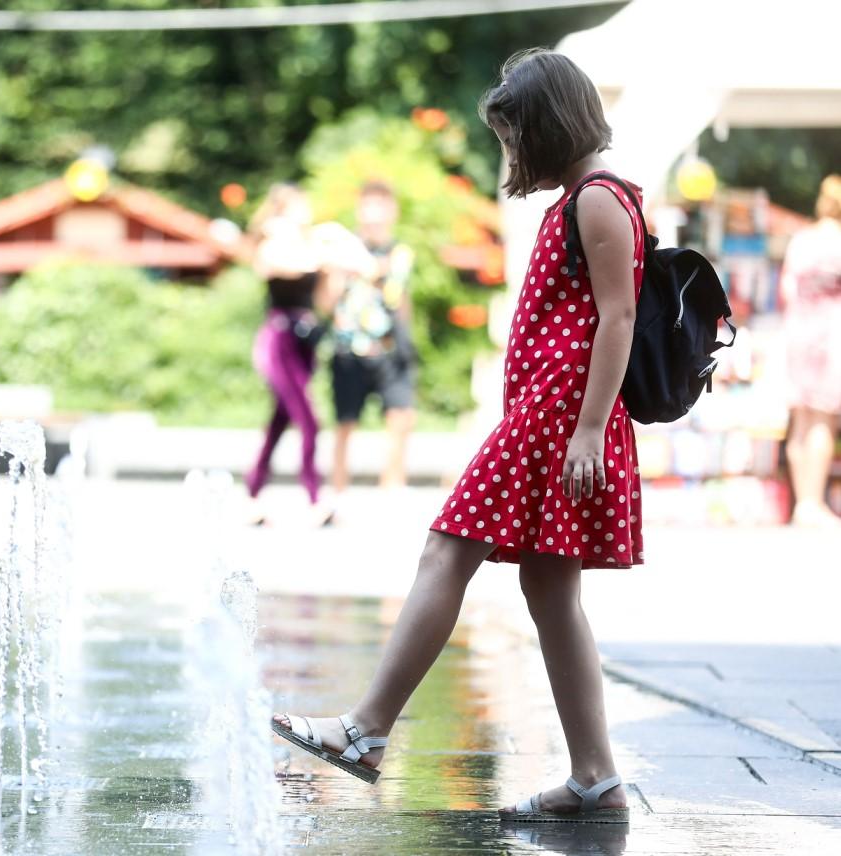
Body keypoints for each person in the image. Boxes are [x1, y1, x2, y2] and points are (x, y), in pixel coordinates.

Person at [272, 49, 638, 823]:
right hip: (548, 415)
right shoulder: (585, 197)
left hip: (556, 417)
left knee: (446, 549)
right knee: (548, 590)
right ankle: (595, 777)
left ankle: (365, 731)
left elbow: (620, 318)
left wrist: (586, 430)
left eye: (514, 139)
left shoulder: (598, 200)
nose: (510, 156)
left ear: (547, 125)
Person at [244, 185, 335, 527]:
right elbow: (278, 267)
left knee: (279, 424)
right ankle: (314, 498)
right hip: (279, 339)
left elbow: (323, 300)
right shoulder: (273, 246)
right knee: (309, 421)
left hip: (304, 342)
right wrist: (320, 255)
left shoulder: (310, 248)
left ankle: (252, 494)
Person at [328, 181, 419, 493]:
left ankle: (392, 487)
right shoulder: (342, 249)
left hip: (390, 349)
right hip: (349, 350)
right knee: (344, 425)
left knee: (401, 419)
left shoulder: (399, 253)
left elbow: (398, 297)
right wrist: (339, 272)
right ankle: (336, 495)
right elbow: (325, 302)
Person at [781, 175, 841, 528]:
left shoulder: (802, 239)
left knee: (800, 419)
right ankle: (813, 503)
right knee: (822, 417)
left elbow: (787, 289)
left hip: (797, 331)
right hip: (831, 333)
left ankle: (803, 502)